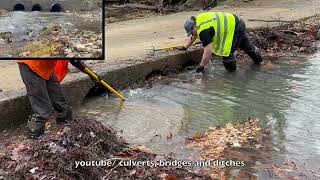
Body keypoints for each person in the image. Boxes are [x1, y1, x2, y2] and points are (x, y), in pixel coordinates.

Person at [17, 60, 86, 138]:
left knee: (61, 105)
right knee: (42, 111)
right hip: (31, 65)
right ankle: (36, 137)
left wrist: (85, 69)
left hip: (47, 67)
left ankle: (68, 131)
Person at [181, 12, 262, 72]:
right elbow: (193, 36)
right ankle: (259, 63)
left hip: (235, 27)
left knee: (227, 54)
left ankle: (231, 77)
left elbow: (208, 52)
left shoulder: (203, 31)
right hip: (236, 21)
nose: (192, 34)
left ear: (194, 27)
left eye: (191, 32)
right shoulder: (197, 20)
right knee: (245, 46)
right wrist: (185, 47)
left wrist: (201, 66)